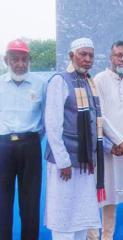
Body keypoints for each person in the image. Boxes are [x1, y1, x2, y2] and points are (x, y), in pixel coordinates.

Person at [44, 37, 123, 240]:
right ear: (71, 56)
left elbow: (96, 120)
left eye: (90, 55)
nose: (87, 59)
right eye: (82, 54)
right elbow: (52, 125)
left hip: (85, 163)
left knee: (82, 219)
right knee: (64, 217)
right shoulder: (60, 81)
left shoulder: (88, 82)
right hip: (66, 165)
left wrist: (113, 145)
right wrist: (63, 161)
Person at [87, 40, 123, 240]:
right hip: (102, 148)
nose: (121, 58)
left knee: (113, 196)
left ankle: (107, 237)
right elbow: (99, 116)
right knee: (95, 195)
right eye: (118, 54)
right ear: (111, 57)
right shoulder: (99, 80)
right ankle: (92, 237)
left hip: (122, 150)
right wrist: (116, 142)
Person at [0, 39, 46, 240]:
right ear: (5, 60)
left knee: (30, 204)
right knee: (2, 203)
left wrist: (32, 138)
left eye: (24, 59)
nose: (20, 64)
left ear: (29, 60)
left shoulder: (41, 84)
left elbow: (47, 119)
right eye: (15, 59)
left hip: (30, 146)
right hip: (3, 148)